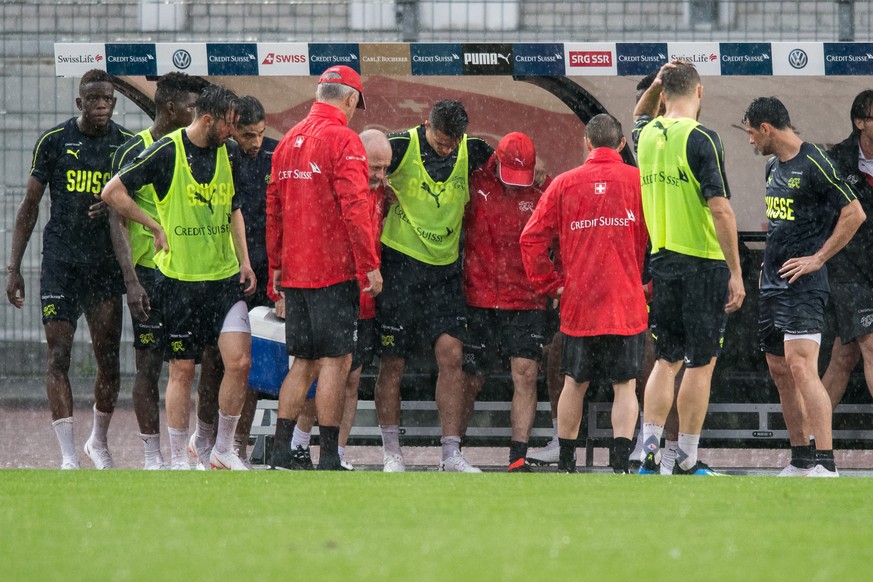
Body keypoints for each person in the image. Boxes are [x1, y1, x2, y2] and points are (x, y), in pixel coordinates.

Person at [102, 84, 256, 471]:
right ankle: (176, 459)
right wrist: (153, 225)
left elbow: (234, 207)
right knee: (182, 371)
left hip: (223, 279)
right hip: (179, 281)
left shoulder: (230, 152)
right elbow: (112, 192)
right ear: (208, 120)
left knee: (238, 363)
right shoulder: (166, 151)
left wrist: (245, 261)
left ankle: (222, 449)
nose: (234, 132)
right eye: (231, 124)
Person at [6, 69, 133, 470]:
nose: (102, 106)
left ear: (115, 102)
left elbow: (136, 207)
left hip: (103, 267)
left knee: (108, 361)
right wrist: (13, 267)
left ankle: (98, 442)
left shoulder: (125, 146)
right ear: (80, 103)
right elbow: (29, 206)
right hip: (61, 263)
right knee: (58, 354)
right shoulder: (55, 142)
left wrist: (116, 208)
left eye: (108, 100)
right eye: (94, 99)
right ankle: (66, 456)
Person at [266, 65, 381, 471]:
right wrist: (369, 265)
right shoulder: (344, 140)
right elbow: (356, 209)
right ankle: (329, 455)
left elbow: (274, 210)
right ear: (349, 99)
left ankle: (281, 452)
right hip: (333, 272)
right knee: (337, 361)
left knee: (303, 363)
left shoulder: (287, 142)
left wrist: (276, 267)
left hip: (296, 272)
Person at [633, 61, 745, 476]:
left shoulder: (645, 136)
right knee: (701, 361)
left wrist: (658, 83)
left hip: (662, 260)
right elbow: (720, 209)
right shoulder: (701, 137)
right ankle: (687, 459)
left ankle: (649, 451)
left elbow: (640, 115)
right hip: (701, 261)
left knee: (666, 359)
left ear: (663, 93)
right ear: (699, 93)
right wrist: (735, 272)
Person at [743, 96, 865, 478]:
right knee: (780, 370)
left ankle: (826, 463)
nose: (749, 141)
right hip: (772, 285)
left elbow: (855, 213)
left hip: (804, 285)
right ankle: (799, 459)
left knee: (801, 367)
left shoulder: (815, 162)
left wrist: (818, 258)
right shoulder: (770, 167)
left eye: (750, 133)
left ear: (766, 129)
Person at [521, 114, 649, 474]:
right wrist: (650, 286)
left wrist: (552, 284)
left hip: (580, 303)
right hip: (625, 302)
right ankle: (621, 465)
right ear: (622, 144)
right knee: (625, 385)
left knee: (574, 383)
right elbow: (665, 239)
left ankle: (566, 464)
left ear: (586, 142)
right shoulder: (640, 183)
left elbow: (530, 240)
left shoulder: (564, 184)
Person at [375, 99, 494, 472]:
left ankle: (450, 453)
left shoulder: (471, 150)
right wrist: (380, 187)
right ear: (426, 124)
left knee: (453, 358)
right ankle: (392, 452)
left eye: (452, 143)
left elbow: (507, 156)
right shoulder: (399, 147)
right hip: (400, 267)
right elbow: (362, 161)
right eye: (442, 142)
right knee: (393, 362)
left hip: (444, 272)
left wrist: (536, 169)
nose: (447, 149)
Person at [108, 72, 210, 470]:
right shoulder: (139, 148)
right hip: (150, 274)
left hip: (187, 274)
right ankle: (153, 456)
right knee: (149, 364)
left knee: (194, 362)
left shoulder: (199, 149)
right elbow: (115, 216)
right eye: (192, 107)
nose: (198, 114)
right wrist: (131, 280)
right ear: (171, 109)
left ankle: (195, 450)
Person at [462, 132, 551, 472]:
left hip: (526, 298)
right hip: (479, 297)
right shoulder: (473, 178)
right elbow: (463, 140)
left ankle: (517, 456)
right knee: (471, 376)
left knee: (525, 374)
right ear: (495, 160)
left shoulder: (545, 187)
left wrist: (553, 283)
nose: (515, 184)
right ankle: (452, 452)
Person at [229, 95, 280, 467]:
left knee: (272, 362)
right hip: (231, 272)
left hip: (274, 271)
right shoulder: (222, 157)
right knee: (234, 363)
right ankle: (229, 445)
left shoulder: (277, 155)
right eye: (248, 135)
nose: (256, 142)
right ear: (233, 130)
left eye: (261, 133)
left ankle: (283, 447)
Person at [821, 90, 873, 409]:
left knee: (843, 358)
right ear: (860, 122)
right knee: (871, 345)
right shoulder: (836, 160)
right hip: (849, 271)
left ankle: (810, 443)